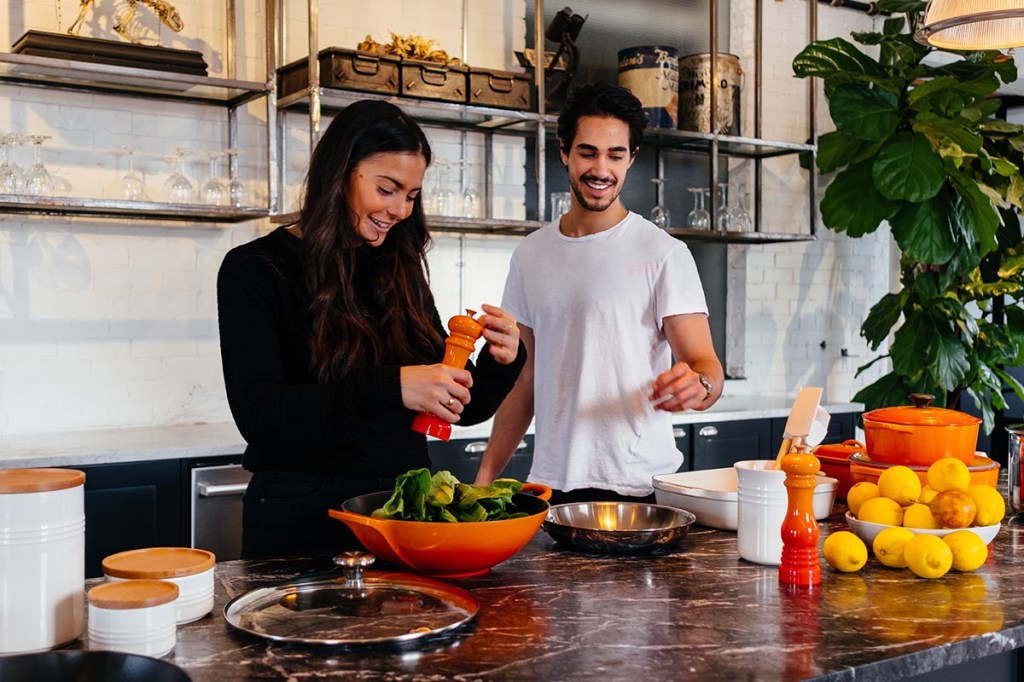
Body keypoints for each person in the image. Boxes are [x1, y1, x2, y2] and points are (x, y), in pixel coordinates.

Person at [217, 100, 526, 559]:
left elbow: (455, 409)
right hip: (300, 521)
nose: (400, 209)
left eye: (412, 195)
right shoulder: (255, 269)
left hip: (403, 515)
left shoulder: (399, 268)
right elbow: (261, 416)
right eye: (388, 189)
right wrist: (394, 387)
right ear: (340, 172)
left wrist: (501, 361)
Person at [474, 82, 723, 505]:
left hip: (639, 488)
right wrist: (484, 478)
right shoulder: (531, 254)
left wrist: (698, 386)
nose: (601, 169)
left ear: (632, 158)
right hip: (551, 487)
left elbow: (707, 369)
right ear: (564, 152)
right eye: (588, 152)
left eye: (615, 154)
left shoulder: (664, 253)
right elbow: (525, 380)